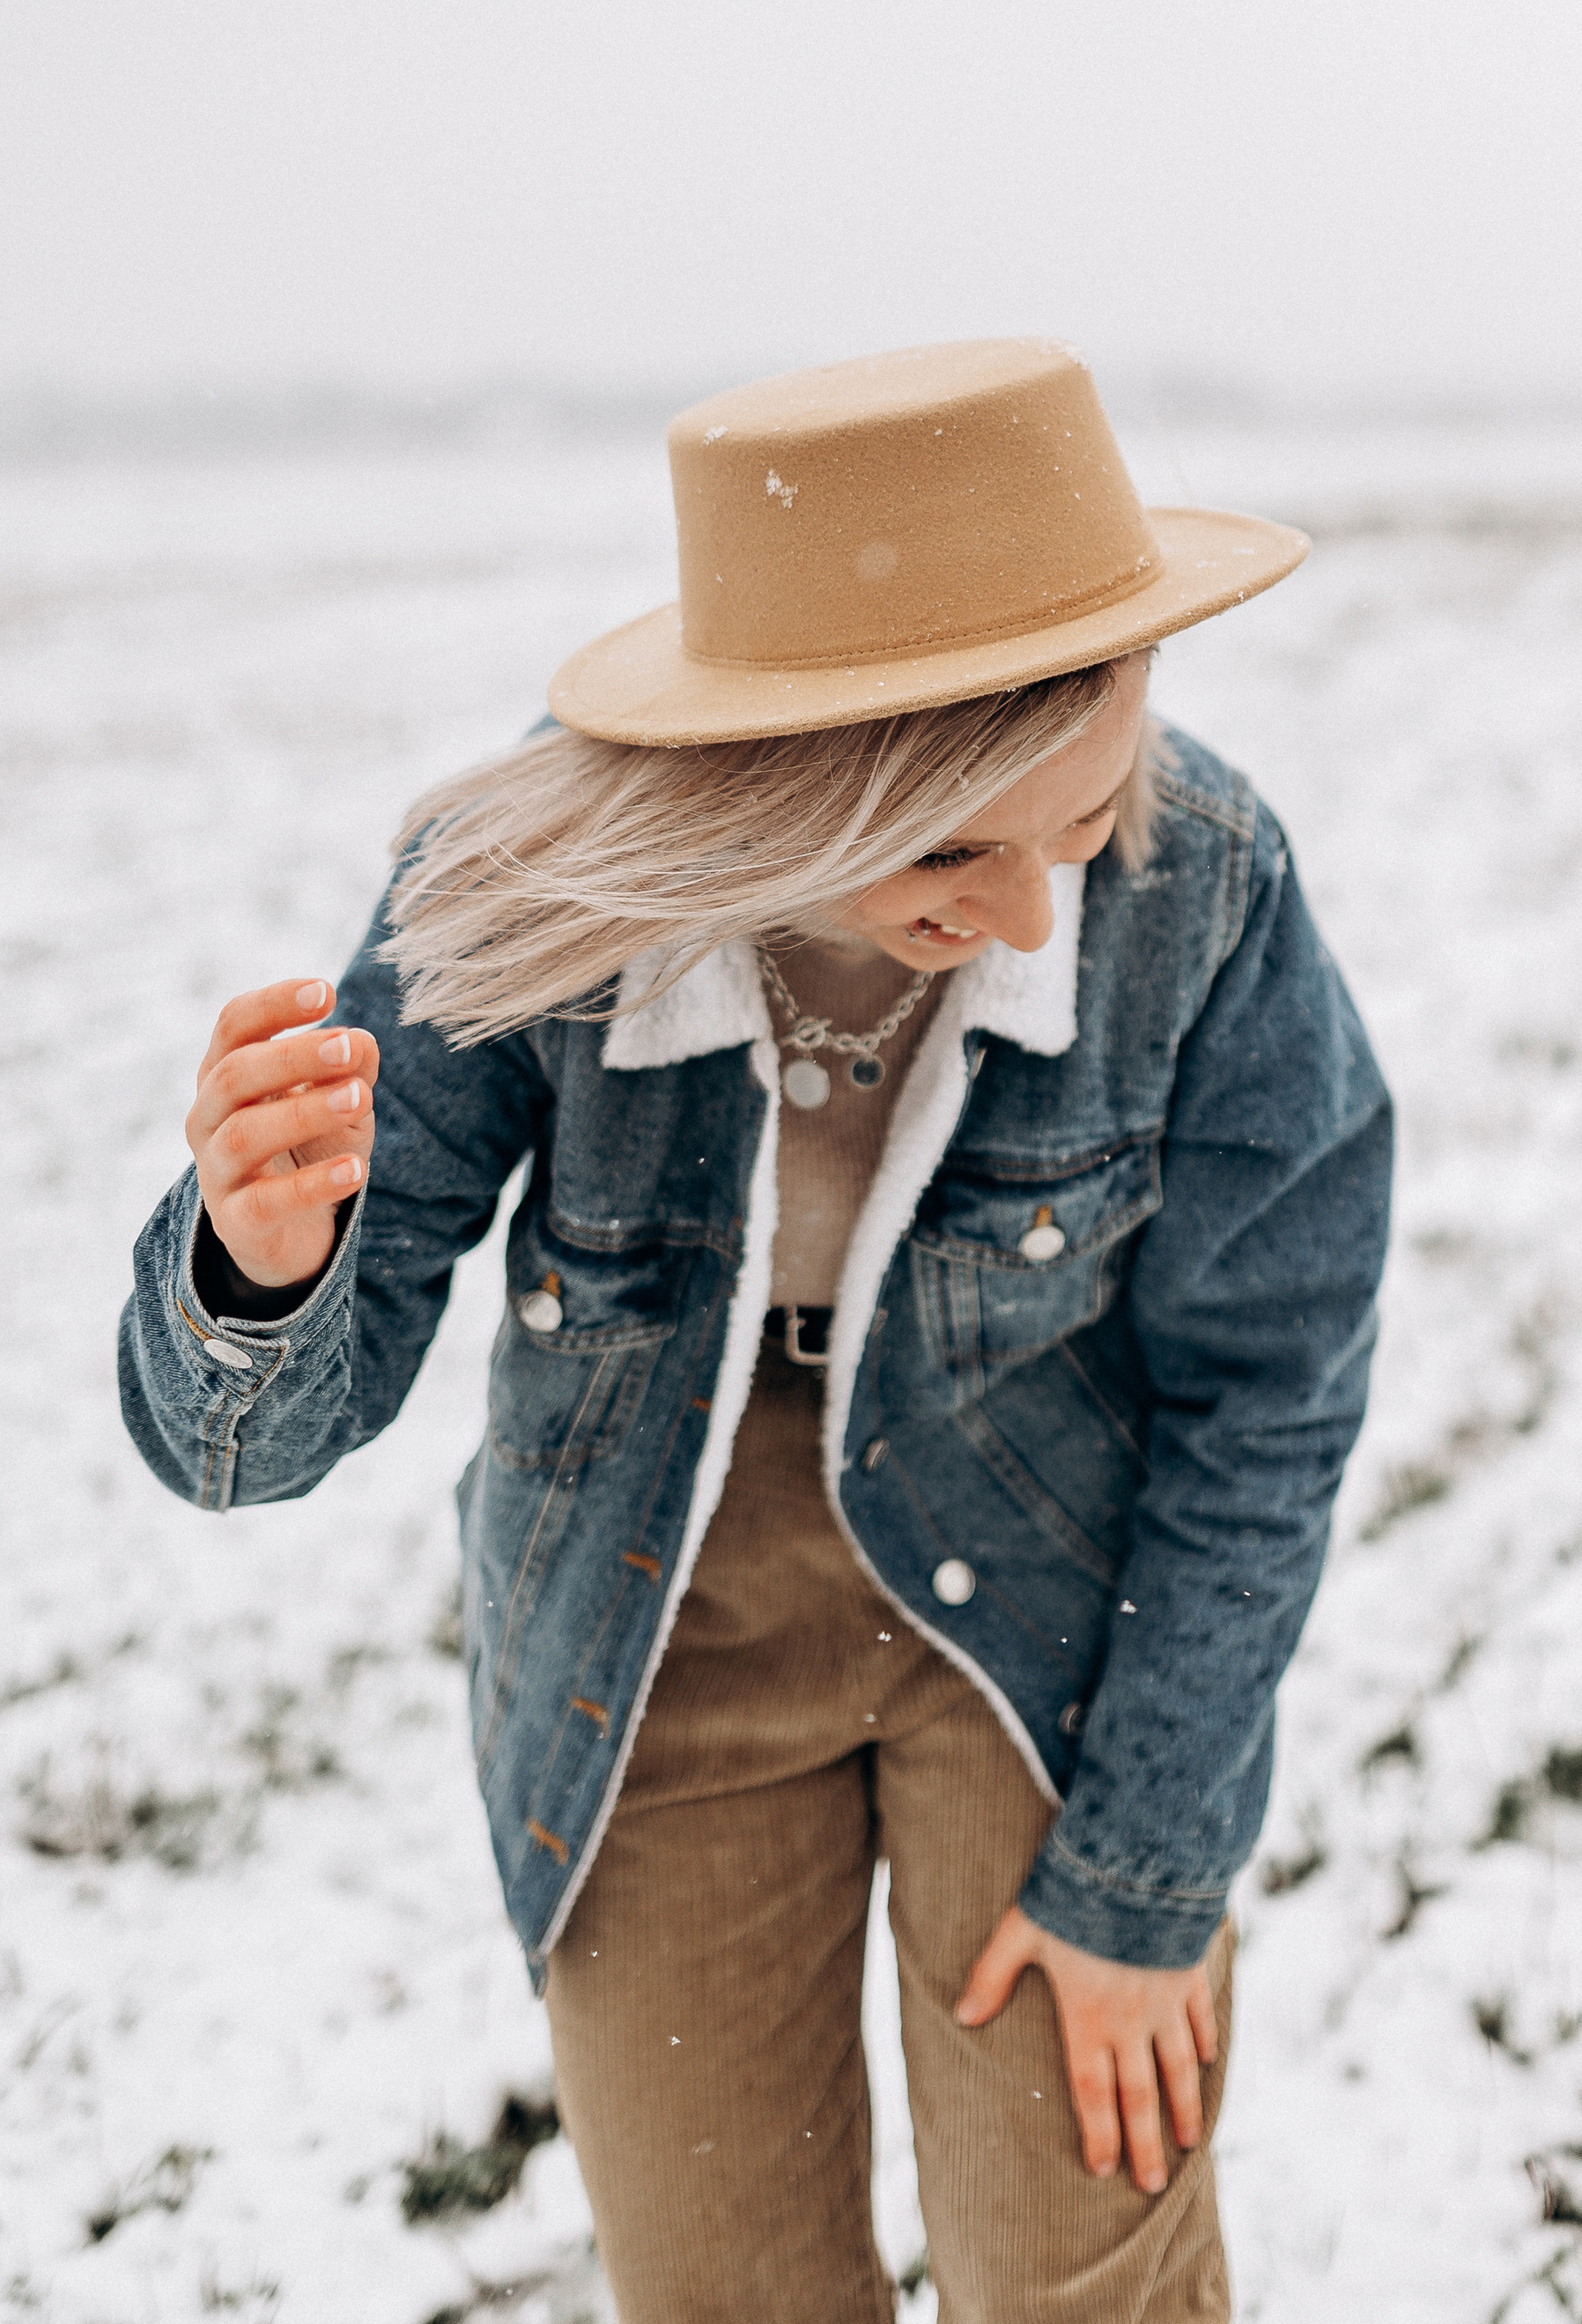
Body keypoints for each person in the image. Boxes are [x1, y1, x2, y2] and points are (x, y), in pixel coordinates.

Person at [119, 337, 1392, 2324]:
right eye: (952, 849)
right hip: (654, 1627)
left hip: (1044, 1615)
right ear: (775, 777)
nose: (1034, 916)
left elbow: (1268, 1400)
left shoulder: (1207, 882)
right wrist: (261, 1264)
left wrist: (1146, 1877)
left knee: (1084, 2272)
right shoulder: (522, 903)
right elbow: (245, 1442)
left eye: (1071, 821)